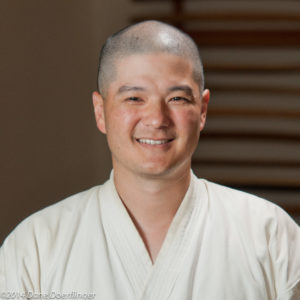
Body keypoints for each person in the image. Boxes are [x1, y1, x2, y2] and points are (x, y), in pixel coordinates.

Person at [0, 20, 299, 300]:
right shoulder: (35, 248)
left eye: (177, 99)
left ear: (203, 109)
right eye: (134, 98)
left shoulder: (271, 237)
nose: (157, 119)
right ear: (100, 111)